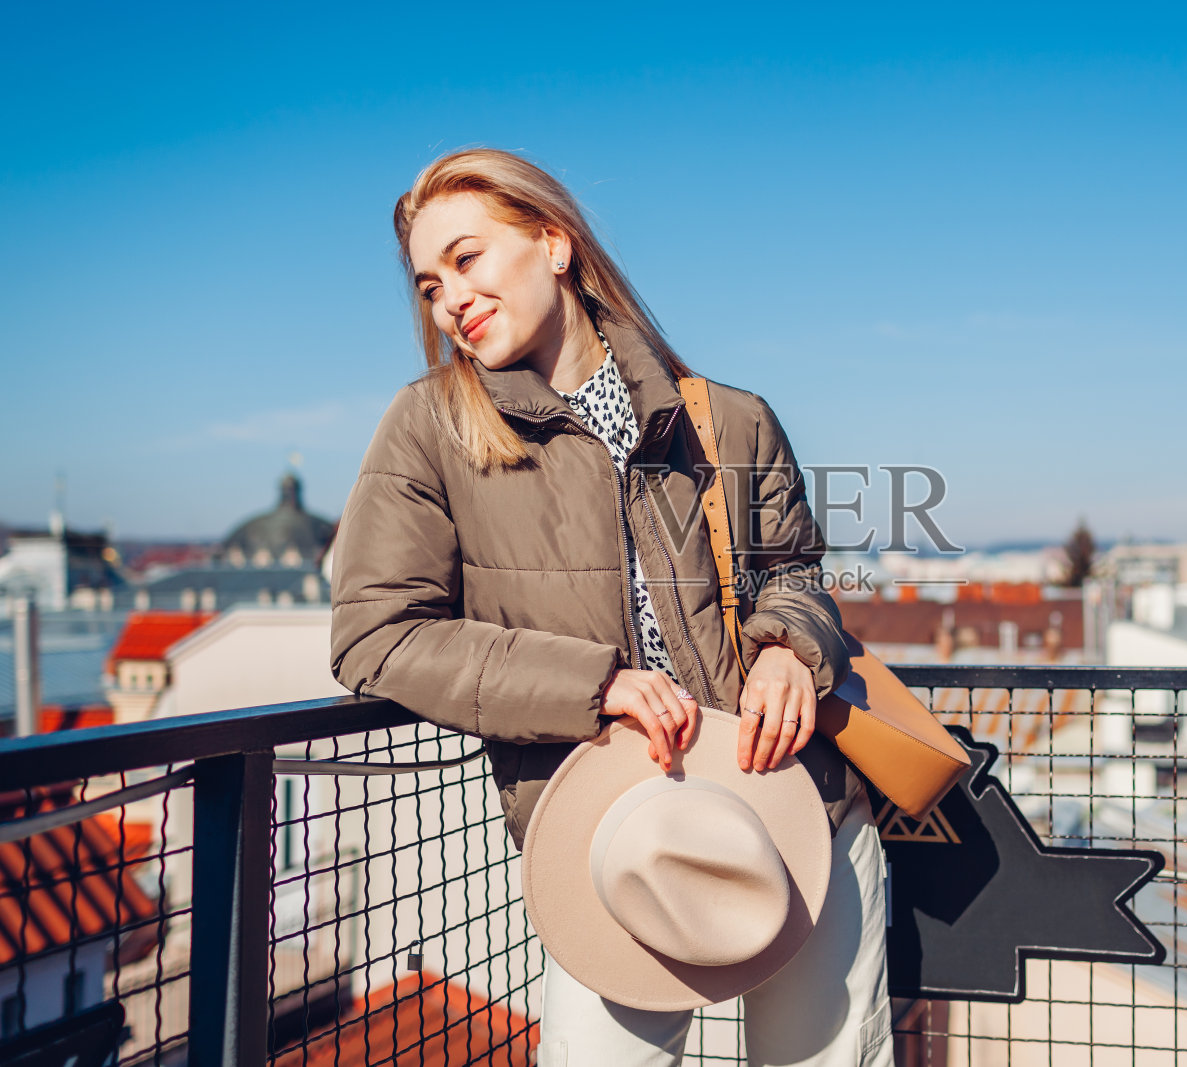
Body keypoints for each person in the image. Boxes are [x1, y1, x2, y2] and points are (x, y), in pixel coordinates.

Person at [330, 148, 892, 1066]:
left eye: (467, 260)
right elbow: (374, 635)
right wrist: (594, 686)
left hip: (800, 810)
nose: (450, 301)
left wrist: (791, 646)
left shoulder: (730, 419)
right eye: (430, 286)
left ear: (554, 245)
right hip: (609, 841)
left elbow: (794, 570)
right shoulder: (431, 428)